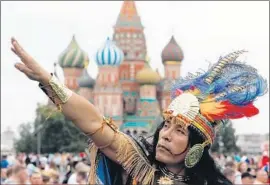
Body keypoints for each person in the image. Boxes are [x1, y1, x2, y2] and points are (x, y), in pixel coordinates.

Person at [11, 37, 268, 185]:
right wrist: (49, 80)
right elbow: (95, 124)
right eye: (166, 124)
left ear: (196, 147)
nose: (165, 134)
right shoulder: (141, 167)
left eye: (179, 130)